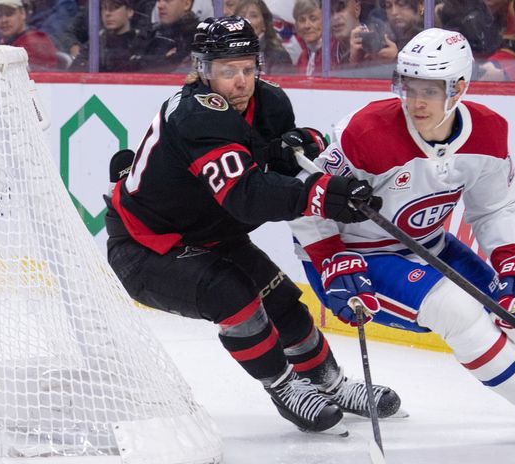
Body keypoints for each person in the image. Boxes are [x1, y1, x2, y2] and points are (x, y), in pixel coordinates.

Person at [289, 28, 515, 444]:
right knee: (458, 311)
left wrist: (509, 255)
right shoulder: (367, 131)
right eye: (408, 87)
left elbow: (494, 207)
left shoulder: (489, 132)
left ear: (459, 88)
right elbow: (304, 196)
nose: (416, 102)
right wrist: (332, 257)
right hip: (356, 255)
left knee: (505, 306)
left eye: (430, 90)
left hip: (427, 246)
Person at [103, 16, 402, 436]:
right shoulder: (195, 114)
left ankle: (329, 383)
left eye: (248, 68)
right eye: (228, 71)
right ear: (202, 70)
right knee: (232, 294)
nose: (241, 81)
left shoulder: (272, 102)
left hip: (213, 233)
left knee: (282, 300)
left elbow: (274, 164)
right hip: (147, 247)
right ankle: (284, 387)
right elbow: (244, 197)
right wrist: (320, 194)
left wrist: (299, 146)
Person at [69, 0, 148, 72]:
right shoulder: (95, 44)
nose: (107, 13)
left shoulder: (141, 43)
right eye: (104, 8)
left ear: (129, 12)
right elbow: (74, 72)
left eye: (114, 8)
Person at [0, 0, 58, 71]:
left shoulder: (35, 42)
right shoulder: (3, 44)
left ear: (23, 13)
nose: (4, 20)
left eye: (9, 14)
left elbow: (36, 78)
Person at [131, 0, 200, 72]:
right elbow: (131, 61)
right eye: (159, 0)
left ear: (186, 4)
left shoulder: (200, 38)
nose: (159, 6)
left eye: (168, 0)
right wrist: (164, 59)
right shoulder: (151, 33)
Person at [236, 0, 293, 74]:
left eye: (253, 16)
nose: (246, 20)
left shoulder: (278, 56)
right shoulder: (225, 52)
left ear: (264, 24)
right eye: (242, 16)